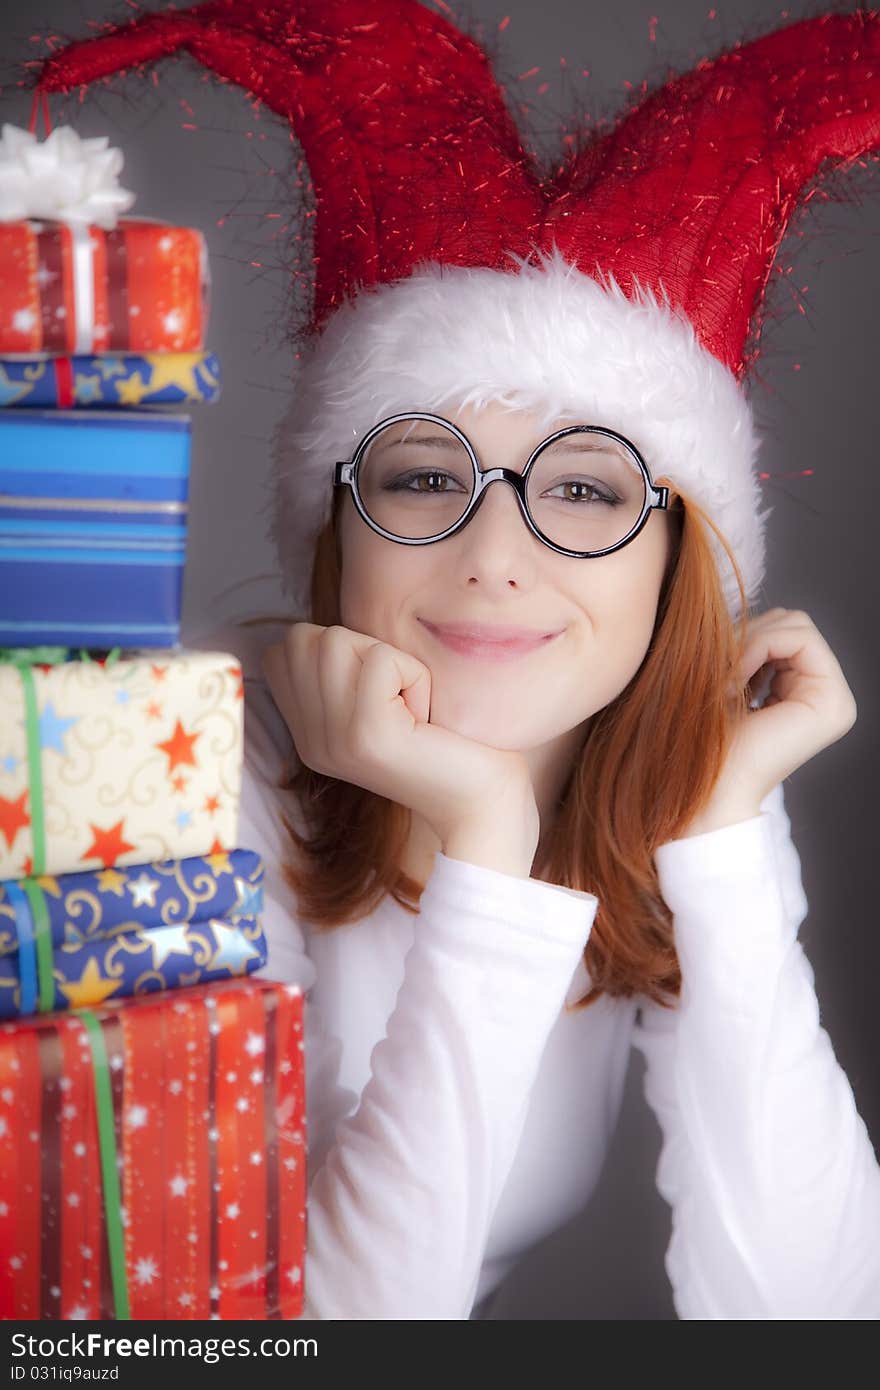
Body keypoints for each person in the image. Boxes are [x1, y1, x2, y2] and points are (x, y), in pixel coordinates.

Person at [38, 0, 880, 1319]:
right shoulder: (173, 775)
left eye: (591, 493)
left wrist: (718, 832)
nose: (494, 555)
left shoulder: (676, 785)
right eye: (427, 476)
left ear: (682, 561)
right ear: (339, 526)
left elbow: (814, 1309)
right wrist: (489, 836)